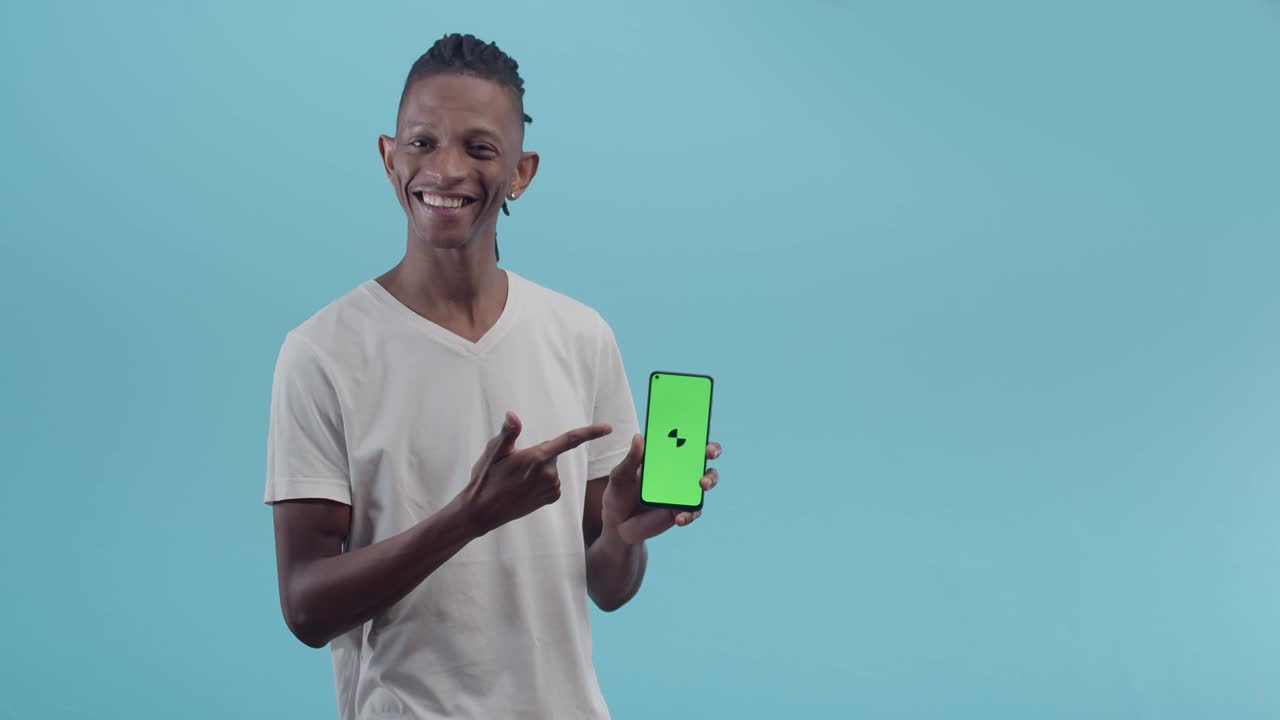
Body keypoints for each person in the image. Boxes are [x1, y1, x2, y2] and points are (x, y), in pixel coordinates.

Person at [263, 33, 723, 719]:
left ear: (520, 172)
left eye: (479, 148)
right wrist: (469, 517)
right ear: (389, 157)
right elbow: (306, 609)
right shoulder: (322, 352)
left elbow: (609, 587)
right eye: (421, 143)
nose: (445, 169)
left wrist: (621, 534)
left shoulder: (580, 336)